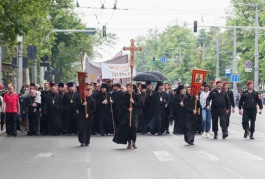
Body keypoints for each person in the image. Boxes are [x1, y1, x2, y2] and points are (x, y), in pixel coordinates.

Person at [113, 83, 141, 149]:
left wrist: (133, 102)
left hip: (134, 114)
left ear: (133, 89)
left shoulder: (137, 96)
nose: (128, 88)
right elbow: (121, 105)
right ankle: (129, 143)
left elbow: (140, 105)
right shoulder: (124, 95)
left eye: (129, 87)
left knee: (134, 127)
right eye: (127, 87)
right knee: (127, 128)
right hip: (126, 114)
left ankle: (134, 142)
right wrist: (127, 108)